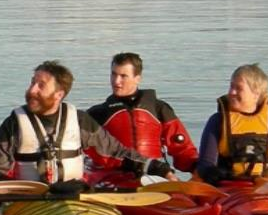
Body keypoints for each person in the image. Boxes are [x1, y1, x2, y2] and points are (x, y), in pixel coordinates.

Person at [0, 60, 175, 187]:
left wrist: (160, 168)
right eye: (32, 83)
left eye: (41, 85)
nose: (32, 90)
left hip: (73, 196)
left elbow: (116, 154)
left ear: (59, 94)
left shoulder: (79, 120)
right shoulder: (13, 124)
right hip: (29, 201)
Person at [84, 52, 199, 186]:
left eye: (123, 76)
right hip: (112, 180)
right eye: (113, 74)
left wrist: (198, 169)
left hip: (152, 177)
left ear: (137, 78)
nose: (116, 81)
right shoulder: (97, 114)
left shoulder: (159, 109)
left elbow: (183, 149)